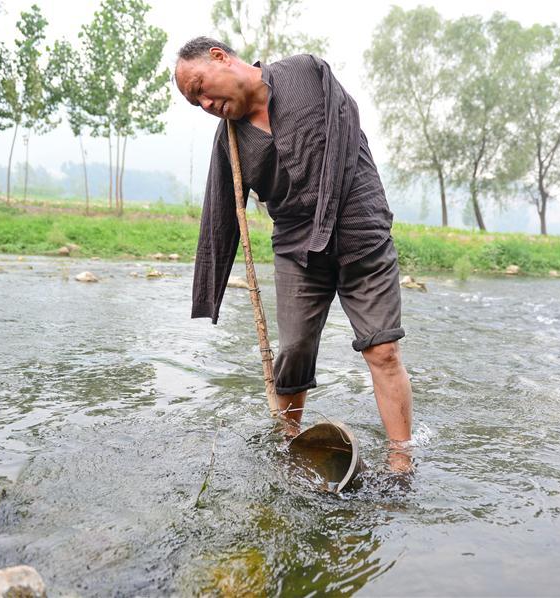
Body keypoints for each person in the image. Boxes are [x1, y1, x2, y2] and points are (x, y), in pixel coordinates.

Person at [174, 37, 412, 470]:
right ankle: (290, 450)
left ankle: (401, 459)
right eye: (197, 102)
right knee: (295, 349)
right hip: (297, 249)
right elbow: (221, 215)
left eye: (202, 88)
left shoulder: (305, 72)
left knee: (383, 350)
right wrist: (209, 294)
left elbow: (348, 120)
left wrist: (333, 206)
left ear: (220, 57)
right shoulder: (229, 142)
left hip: (360, 228)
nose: (206, 103)